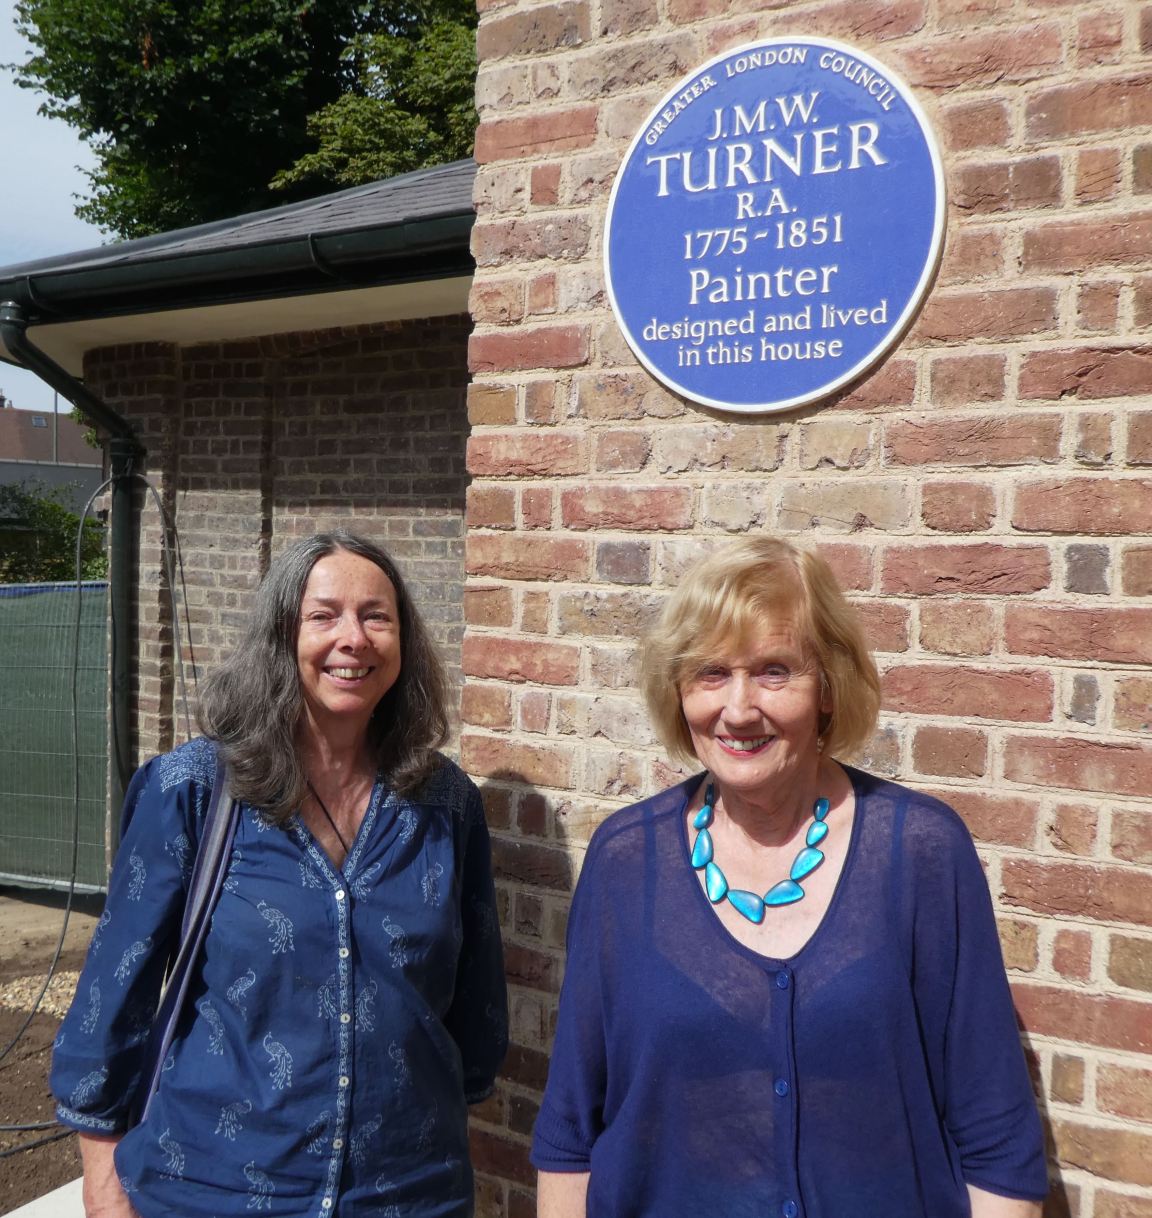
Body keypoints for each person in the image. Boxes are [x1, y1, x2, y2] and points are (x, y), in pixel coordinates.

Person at [531, 536, 1046, 1218]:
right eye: (711, 673)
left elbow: (997, 1139)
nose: (739, 709)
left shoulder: (921, 853)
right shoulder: (627, 861)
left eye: (775, 671)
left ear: (829, 686)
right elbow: (571, 1128)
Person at [53, 531, 508, 1218]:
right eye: (323, 615)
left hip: (408, 1192)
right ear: (280, 635)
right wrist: (103, 1177)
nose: (352, 637)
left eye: (376, 616)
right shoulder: (196, 790)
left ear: (403, 641)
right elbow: (115, 989)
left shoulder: (444, 803)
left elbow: (474, 1001)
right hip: (216, 1187)